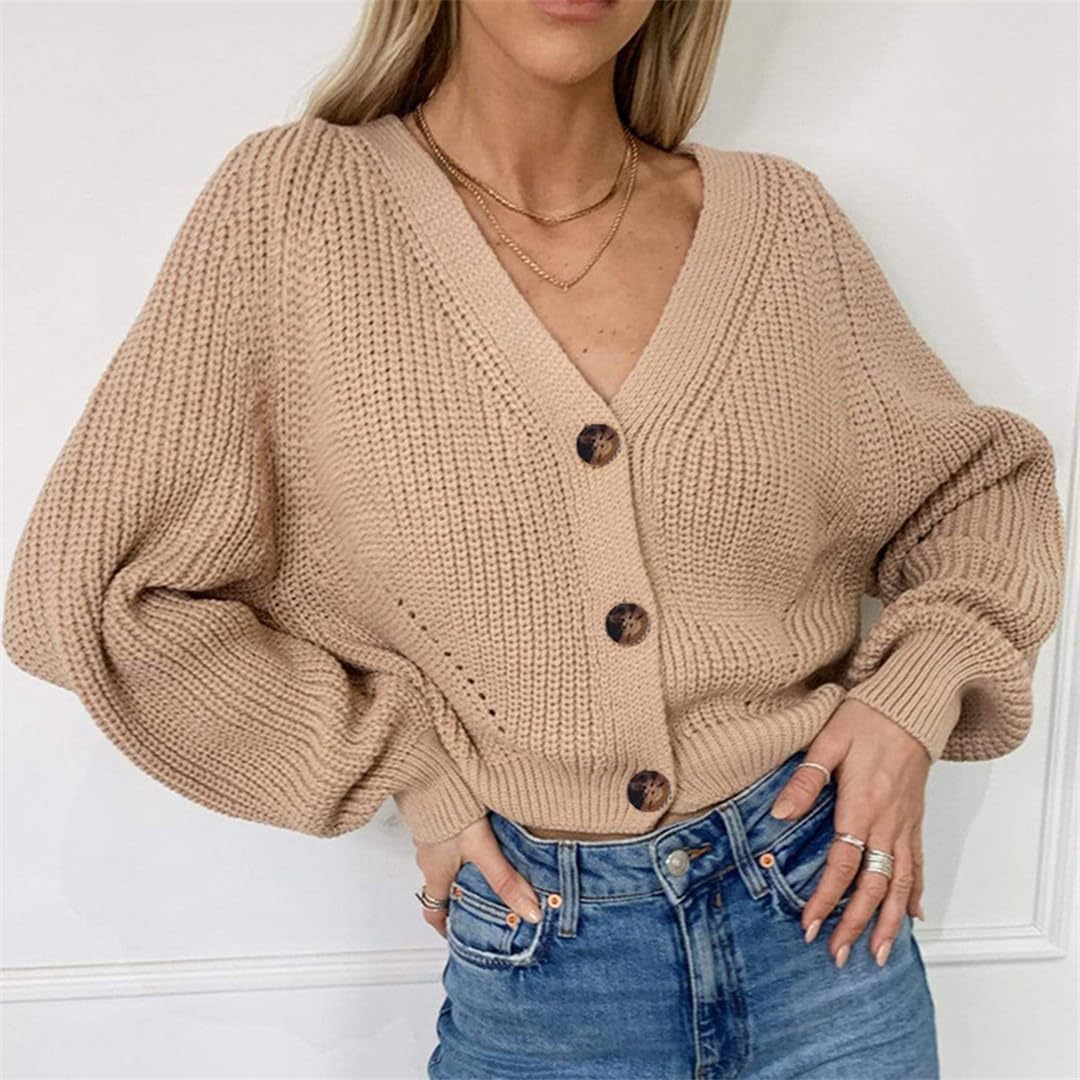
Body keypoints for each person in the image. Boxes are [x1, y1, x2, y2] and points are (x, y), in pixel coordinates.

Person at [3, 0, 1066, 1077]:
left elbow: (980, 493)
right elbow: (94, 588)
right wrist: (400, 765)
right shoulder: (298, 208)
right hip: (543, 957)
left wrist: (909, 700)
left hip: (825, 927)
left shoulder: (781, 223)